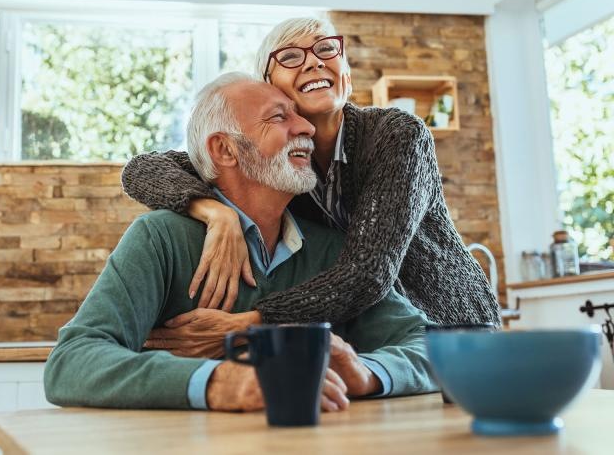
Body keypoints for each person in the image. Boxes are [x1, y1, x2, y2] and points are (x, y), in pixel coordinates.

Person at [44, 73, 437, 411]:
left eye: (299, 115)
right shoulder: (161, 238)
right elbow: (72, 362)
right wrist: (222, 382)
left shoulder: (332, 250)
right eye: (280, 117)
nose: (307, 128)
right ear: (224, 149)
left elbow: (430, 347)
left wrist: (366, 374)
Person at [121, 17, 500, 358]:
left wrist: (249, 323)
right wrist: (214, 212)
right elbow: (143, 168)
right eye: (289, 56)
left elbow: (368, 272)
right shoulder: (276, 164)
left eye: (325, 49)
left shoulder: (397, 135)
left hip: (450, 330)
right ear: (271, 89)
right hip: (370, 343)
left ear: (346, 74)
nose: (314, 61)